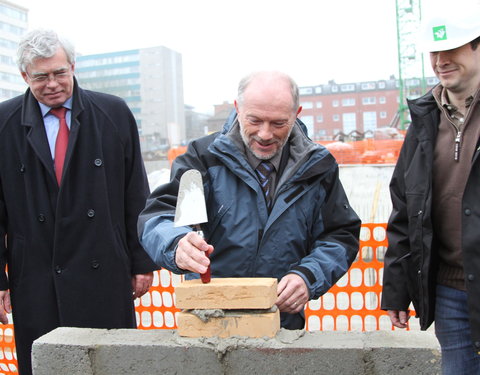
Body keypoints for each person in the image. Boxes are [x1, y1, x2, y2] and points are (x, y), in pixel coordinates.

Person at [138, 71, 361, 330]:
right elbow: (158, 215)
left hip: (281, 322)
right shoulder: (203, 157)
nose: (265, 134)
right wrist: (176, 243)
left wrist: (308, 276)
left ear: (296, 113)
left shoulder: (317, 166)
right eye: (254, 120)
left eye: (278, 123)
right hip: (209, 318)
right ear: (237, 108)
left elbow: (340, 235)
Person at [0, 29, 156, 375]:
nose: (52, 83)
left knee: (112, 364)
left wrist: (141, 261)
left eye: (60, 72)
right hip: (36, 274)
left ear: (73, 66)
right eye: (41, 76)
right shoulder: (4, 123)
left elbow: (136, 191)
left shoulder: (112, 113)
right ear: (24, 76)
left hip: (104, 267)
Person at [381, 5, 480, 374]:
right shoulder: (424, 121)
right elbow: (405, 208)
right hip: (450, 290)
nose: (440, 60)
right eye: (434, 52)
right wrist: (397, 288)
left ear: (477, 46)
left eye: (451, 49)